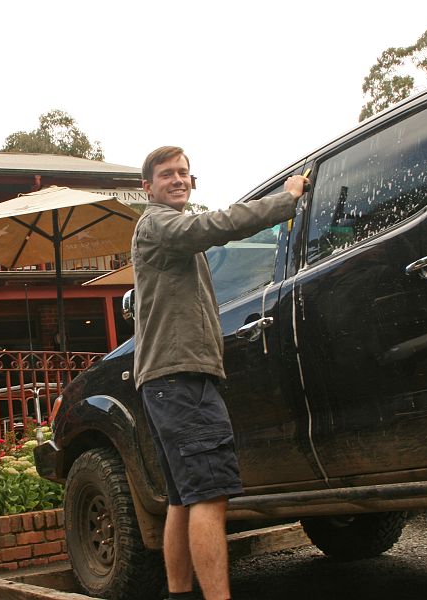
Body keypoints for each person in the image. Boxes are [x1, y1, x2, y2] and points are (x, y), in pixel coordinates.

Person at [132, 146, 308, 600]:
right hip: (181, 379)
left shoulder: (169, 236)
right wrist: (284, 201)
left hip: (167, 381)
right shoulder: (160, 224)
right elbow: (213, 226)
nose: (178, 180)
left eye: (185, 173)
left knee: (182, 498)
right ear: (146, 187)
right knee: (210, 494)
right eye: (166, 174)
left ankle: (180, 594)